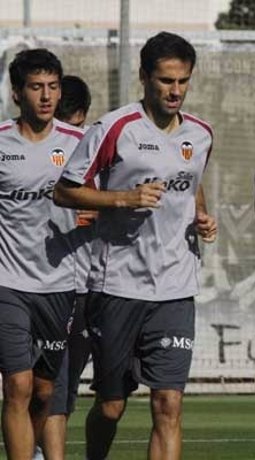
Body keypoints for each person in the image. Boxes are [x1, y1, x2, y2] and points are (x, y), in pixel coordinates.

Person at [53, 31, 217, 460]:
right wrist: (122, 198)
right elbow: (66, 191)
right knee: (111, 406)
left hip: (176, 289)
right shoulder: (114, 128)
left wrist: (200, 216)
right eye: (165, 81)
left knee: (169, 403)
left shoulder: (201, 134)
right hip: (117, 286)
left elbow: (190, 184)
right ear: (144, 78)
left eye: (182, 81)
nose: (175, 91)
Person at [0, 48, 83, 459]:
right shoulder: (1, 142)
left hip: (59, 284)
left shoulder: (80, 144)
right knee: (18, 384)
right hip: (8, 283)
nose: (46, 96)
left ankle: (30, 449)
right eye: (36, 87)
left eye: (52, 87)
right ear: (17, 93)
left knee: (45, 391)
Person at [36, 74, 94, 460]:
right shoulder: (31, 152)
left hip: (94, 286)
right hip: (43, 285)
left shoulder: (94, 150)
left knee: (69, 387)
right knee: (42, 387)